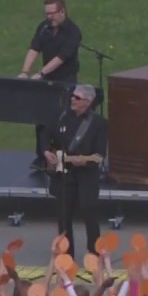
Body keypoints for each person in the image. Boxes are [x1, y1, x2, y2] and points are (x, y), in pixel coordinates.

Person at [42, 84, 107, 260]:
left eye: (77, 97)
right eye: (72, 95)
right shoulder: (61, 116)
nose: (72, 99)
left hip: (86, 176)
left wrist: (81, 159)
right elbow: (46, 134)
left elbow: (99, 155)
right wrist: (46, 151)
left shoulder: (98, 123)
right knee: (63, 217)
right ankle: (66, 255)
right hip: (63, 175)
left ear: (88, 101)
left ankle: (94, 254)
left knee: (89, 214)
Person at [20, 0, 82, 171]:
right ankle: (41, 157)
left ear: (62, 12)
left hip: (65, 81)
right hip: (47, 81)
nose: (49, 17)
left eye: (52, 13)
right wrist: (25, 71)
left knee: (62, 120)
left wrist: (41, 73)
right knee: (42, 118)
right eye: (46, 14)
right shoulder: (44, 28)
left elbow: (62, 58)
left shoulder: (73, 32)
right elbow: (34, 48)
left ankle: (63, 158)